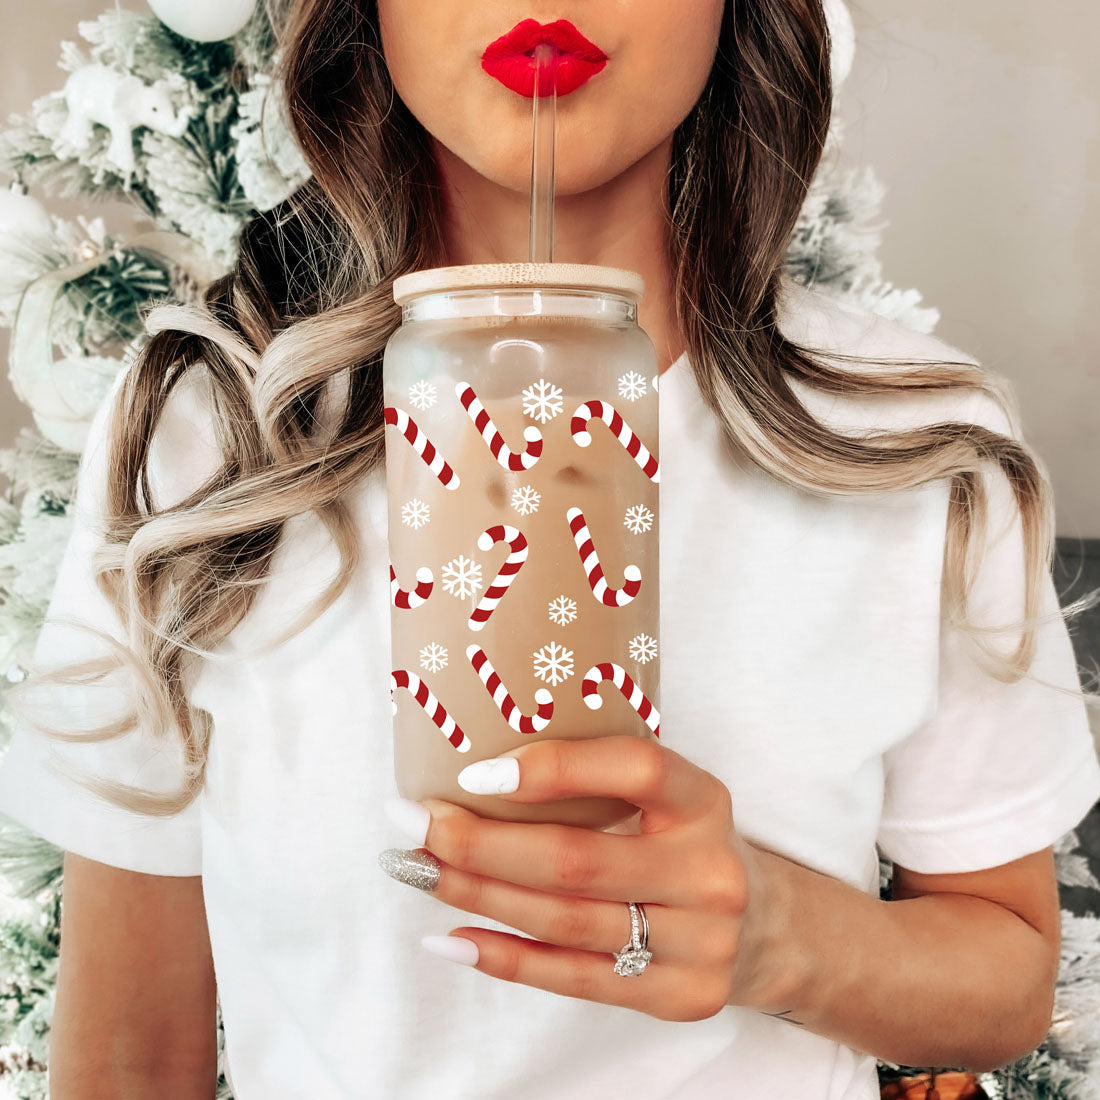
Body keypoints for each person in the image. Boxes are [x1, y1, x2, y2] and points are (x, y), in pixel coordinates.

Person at [1, 1, 1098, 1097]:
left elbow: (1003, 974)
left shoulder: (910, 448)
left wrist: (775, 934)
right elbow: (132, 1053)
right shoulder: (213, 439)